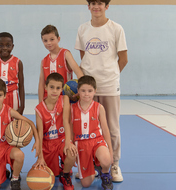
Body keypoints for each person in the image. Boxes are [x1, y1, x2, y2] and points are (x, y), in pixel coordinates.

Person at [75, 0, 128, 182]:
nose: (96, 7)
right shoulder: (83, 29)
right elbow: (84, 57)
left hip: (109, 86)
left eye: (100, 3)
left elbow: (123, 58)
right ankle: (92, 164)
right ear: (88, 6)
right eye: (93, 3)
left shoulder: (116, 28)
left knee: (112, 127)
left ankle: (114, 165)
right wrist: (89, 84)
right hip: (88, 89)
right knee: (86, 126)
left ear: (107, 6)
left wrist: (110, 76)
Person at [0, 78, 39, 190]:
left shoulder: (8, 111)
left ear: (5, 96)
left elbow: (30, 122)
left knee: (19, 155)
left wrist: (37, 141)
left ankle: (14, 179)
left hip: (7, 147)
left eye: (0, 95)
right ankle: (2, 171)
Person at [64, 75, 113, 190]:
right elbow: (70, 129)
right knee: (86, 184)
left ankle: (105, 174)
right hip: (81, 144)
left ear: (95, 91)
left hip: (97, 141)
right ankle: (94, 166)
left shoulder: (99, 107)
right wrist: (70, 143)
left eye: (90, 91)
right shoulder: (72, 108)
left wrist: (110, 151)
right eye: (83, 91)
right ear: (78, 92)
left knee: (106, 160)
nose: (87, 94)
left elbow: (105, 130)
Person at [34, 73, 77, 190]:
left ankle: (66, 173)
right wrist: (40, 157)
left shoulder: (65, 100)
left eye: (58, 88)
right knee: (51, 174)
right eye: (51, 87)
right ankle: (59, 166)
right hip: (47, 143)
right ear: (46, 87)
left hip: (61, 139)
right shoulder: (39, 109)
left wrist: (68, 142)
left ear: (62, 89)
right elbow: (39, 134)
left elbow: (66, 122)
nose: (54, 91)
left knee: (72, 152)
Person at [38, 25, 84, 103]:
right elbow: (41, 84)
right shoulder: (44, 61)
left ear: (58, 39)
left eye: (52, 39)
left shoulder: (65, 54)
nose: (48, 43)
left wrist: (82, 89)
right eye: (45, 40)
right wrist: (40, 103)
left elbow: (79, 73)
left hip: (65, 100)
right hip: (49, 101)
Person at [0, 32, 25, 114]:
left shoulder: (18, 62)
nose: (4, 48)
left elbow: (21, 86)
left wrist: (22, 106)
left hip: (12, 96)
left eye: (8, 45)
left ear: (12, 46)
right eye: (1, 45)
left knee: (13, 123)